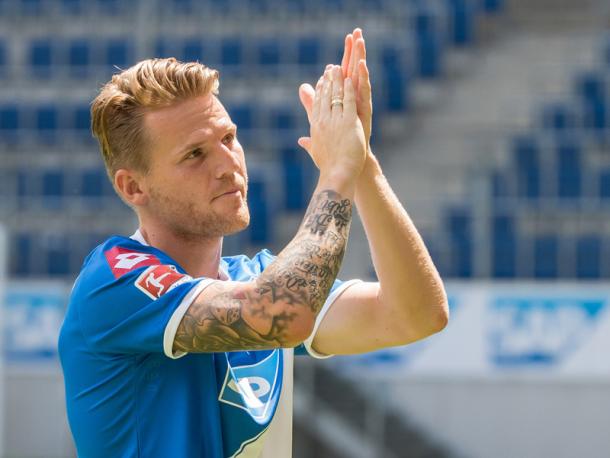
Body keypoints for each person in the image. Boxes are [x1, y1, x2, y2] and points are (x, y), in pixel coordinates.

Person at [58, 29, 449, 458]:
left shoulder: (256, 278)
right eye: (194, 155)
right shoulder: (115, 279)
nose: (228, 165)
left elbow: (416, 315)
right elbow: (284, 313)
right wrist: (336, 173)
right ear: (134, 187)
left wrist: (363, 166)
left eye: (228, 138)